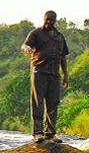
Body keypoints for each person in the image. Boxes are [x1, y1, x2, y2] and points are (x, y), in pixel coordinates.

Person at [21, 10, 70, 143]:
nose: (48, 22)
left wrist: (66, 75)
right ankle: (38, 132)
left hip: (54, 74)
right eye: (46, 19)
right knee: (38, 102)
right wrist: (26, 48)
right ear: (44, 19)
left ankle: (50, 134)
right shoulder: (36, 33)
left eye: (51, 20)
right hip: (39, 72)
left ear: (55, 21)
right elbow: (25, 44)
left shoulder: (60, 37)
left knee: (53, 103)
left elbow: (63, 57)